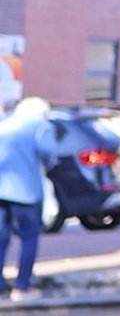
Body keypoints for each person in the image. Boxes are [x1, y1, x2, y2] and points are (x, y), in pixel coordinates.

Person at [0, 96, 51, 294]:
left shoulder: (4, 124)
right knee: (29, 237)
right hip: (26, 192)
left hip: (1, 190)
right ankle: (22, 285)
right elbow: (49, 153)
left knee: (1, 239)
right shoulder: (40, 126)